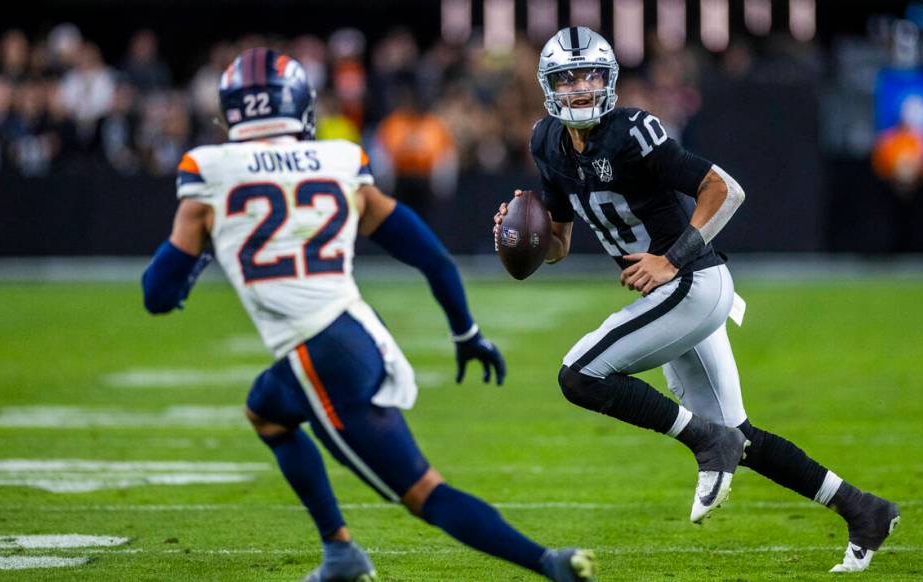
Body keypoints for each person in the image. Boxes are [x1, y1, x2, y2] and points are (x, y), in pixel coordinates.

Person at [142, 48, 595, 582]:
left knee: (425, 492)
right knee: (266, 409)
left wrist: (198, 246)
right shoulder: (339, 159)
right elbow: (429, 255)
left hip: (320, 352)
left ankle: (550, 564)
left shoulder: (207, 169)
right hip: (353, 328)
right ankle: (340, 551)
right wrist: (465, 330)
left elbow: (157, 294)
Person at [493, 27, 899, 574]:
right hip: (675, 292)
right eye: (568, 77)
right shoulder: (546, 141)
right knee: (741, 435)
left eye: (590, 75)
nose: (580, 88)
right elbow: (561, 245)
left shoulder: (632, 131)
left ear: (609, 79)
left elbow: (724, 189)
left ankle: (707, 445)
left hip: (691, 281)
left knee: (581, 375)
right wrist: (522, 235)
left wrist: (671, 258)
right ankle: (863, 510)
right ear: (549, 85)